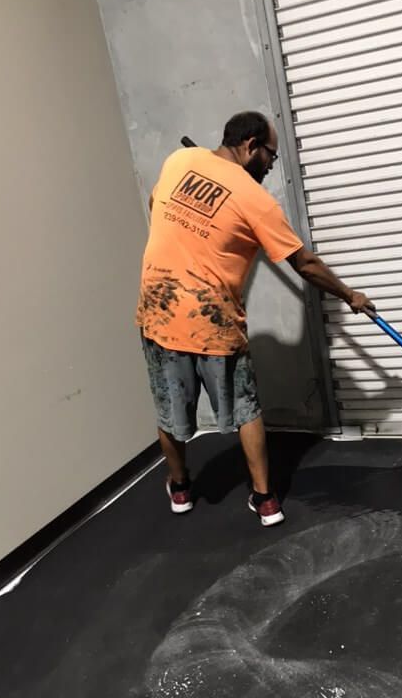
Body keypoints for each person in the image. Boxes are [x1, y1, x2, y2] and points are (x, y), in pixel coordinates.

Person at [136, 110, 374, 526]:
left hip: (160, 308)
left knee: (170, 411)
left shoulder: (179, 161)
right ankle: (265, 500)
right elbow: (304, 263)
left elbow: (157, 204)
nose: (270, 165)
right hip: (213, 321)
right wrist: (349, 295)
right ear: (250, 147)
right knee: (247, 410)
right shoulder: (255, 200)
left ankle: (180, 489)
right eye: (271, 156)